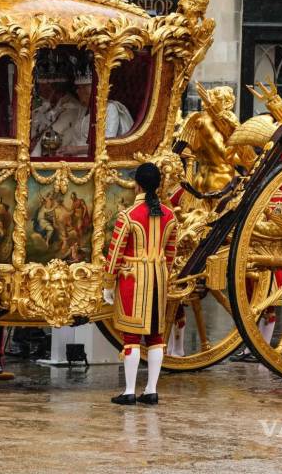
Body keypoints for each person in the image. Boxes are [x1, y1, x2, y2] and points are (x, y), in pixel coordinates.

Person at [103, 162, 177, 405]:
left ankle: (129, 391)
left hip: (133, 279)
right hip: (159, 277)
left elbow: (115, 253)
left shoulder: (128, 215)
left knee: (131, 337)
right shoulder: (169, 216)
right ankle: (151, 390)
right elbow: (171, 253)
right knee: (156, 336)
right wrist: (164, 274)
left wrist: (108, 282)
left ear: (137, 185)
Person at [59, 69, 133, 156]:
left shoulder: (109, 109)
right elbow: (76, 139)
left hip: (95, 159)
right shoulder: (83, 109)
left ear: (95, 89)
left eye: (83, 87)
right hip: (74, 158)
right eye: (78, 87)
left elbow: (106, 144)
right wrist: (65, 151)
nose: (78, 91)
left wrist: (77, 150)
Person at [29, 59, 83, 157]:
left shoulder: (72, 107)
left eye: (41, 84)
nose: (38, 89)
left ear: (51, 86)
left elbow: (51, 137)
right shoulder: (46, 106)